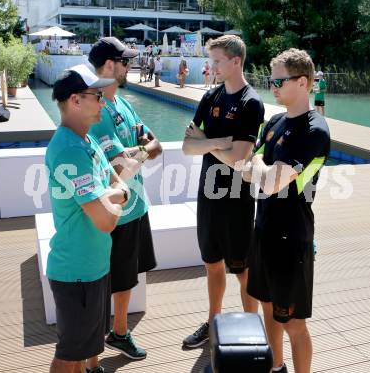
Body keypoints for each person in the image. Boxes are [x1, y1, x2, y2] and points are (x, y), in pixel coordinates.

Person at [243, 48, 330, 373]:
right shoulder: (276, 121)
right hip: (264, 229)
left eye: (279, 80)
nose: (272, 86)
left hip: (291, 238)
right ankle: (275, 366)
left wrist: (258, 166)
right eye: (270, 79)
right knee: (268, 309)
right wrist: (258, 165)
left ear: (303, 82)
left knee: (293, 323)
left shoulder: (314, 131)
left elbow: (268, 182)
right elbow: (249, 165)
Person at [46, 64, 130, 373]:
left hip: (94, 267)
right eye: (96, 95)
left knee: (82, 351)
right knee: (69, 356)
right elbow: (106, 221)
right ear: (74, 100)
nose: (104, 101)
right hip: (76, 272)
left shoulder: (87, 140)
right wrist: (120, 196)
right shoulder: (70, 149)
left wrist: (114, 195)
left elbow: (115, 182)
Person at [182, 35, 264, 348]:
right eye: (211, 60)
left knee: (242, 270)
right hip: (208, 194)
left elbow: (240, 159)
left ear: (235, 61)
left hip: (237, 200)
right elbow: (189, 146)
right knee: (212, 263)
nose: (211, 66)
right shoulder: (211, 97)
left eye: (217, 61)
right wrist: (218, 144)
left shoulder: (250, 102)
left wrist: (207, 142)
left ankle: (253, 329)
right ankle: (213, 322)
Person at [88, 37, 163, 360]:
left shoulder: (123, 102)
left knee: (126, 279)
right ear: (109, 66)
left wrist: (138, 151)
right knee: (105, 283)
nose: (131, 66)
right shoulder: (98, 108)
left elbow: (155, 145)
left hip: (135, 206)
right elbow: (117, 168)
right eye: (126, 61)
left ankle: (119, 333)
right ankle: (91, 351)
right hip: (115, 211)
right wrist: (141, 150)